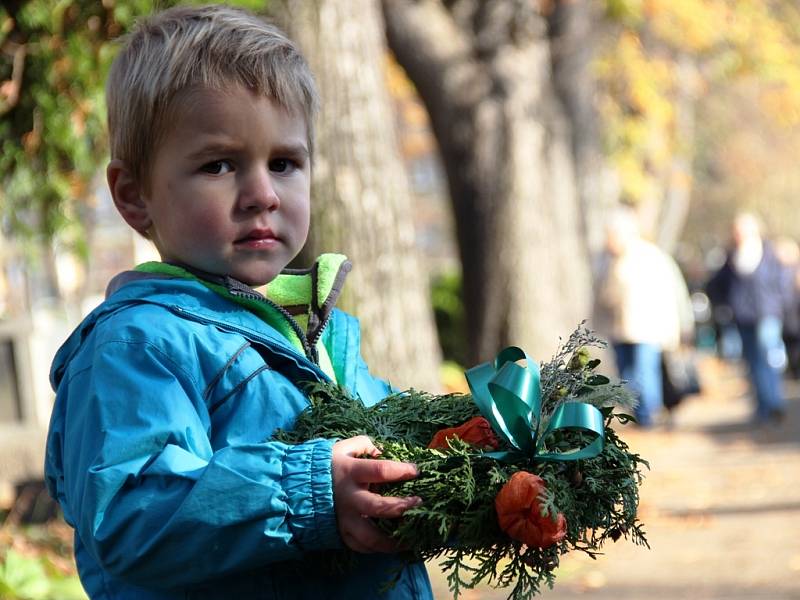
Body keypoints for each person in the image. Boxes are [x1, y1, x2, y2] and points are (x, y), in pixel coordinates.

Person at [43, 6, 432, 599]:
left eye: (284, 163)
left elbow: (392, 434)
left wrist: (475, 440)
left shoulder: (314, 333)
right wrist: (310, 493)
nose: (261, 195)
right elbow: (128, 517)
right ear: (134, 195)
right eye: (219, 165)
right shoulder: (138, 346)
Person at [592, 208, 694, 427]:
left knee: (644, 373)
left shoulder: (649, 256)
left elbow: (670, 295)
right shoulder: (605, 260)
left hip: (647, 329)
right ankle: (639, 414)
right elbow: (602, 296)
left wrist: (677, 328)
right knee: (626, 374)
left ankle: (650, 416)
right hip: (617, 329)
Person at [706, 212, 791, 424]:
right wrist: (724, 305)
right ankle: (763, 405)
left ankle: (774, 402)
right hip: (742, 317)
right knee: (753, 362)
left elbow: (783, 282)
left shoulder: (770, 253)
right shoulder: (731, 256)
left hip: (767, 314)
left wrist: (780, 303)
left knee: (768, 357)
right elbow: (716, 284)